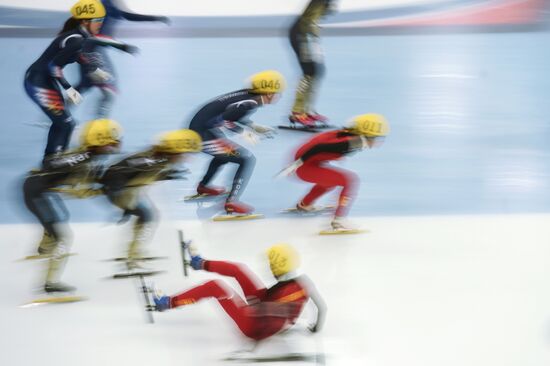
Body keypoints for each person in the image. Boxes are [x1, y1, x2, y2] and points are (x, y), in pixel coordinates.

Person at [23, 0, 137, 160]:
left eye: (102, 20)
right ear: (84, 21)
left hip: (46, 81)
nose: (100, 24)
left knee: (67, 124)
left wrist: (96, 70)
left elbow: (83, 54)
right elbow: (53, 67)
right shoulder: (75, 39)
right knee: (64, 123)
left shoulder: (81, 38)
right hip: (38, 81)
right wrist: (70, 90)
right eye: (97, 20)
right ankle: (52, 160)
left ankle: (56, 157)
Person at [22, 119, 122, 293]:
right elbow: (79, 192)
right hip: (38, 192)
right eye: (111, 142)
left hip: (36, 187)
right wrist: (102, 191)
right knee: (64, 238)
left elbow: (63, 171)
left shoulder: (84, 153)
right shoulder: (86, 162)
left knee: (59, 217)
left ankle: (44, 248)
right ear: (99, 142)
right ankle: (50, 283)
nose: (114, 146)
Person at [153, 243, 326, 341]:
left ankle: (166, 303)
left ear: (278, 266)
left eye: (271, 264)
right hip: (265, 306)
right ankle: (200, 263)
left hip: (254, 325)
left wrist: (275, 324)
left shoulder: (290, 291)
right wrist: (315, 329)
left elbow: (276, 313)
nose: (270, 268)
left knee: (216, 287)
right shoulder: (304, 282)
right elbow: (322, 308)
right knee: (239, 269)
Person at [187, 70, 285, 215]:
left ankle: (204, 186)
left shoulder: (249, 96)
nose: (279, 96)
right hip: (201, 133)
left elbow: (233, 114)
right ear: (269, 93)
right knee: (246, 159)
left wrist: (253, 126)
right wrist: (243, 133)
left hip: (204, 127)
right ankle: (231, 202)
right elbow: (227, 120)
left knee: (225, 155)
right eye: (278, 93)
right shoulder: (250, 102)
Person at [99, 129, 201, 267]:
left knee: (146, 216)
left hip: (125, 190)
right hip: (122, 191)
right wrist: (122, 201)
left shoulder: (158, 157)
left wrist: (166, 174)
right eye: (183, 154)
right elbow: (118, 173)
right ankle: (134, 257)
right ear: (174, 152)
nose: (185, 158)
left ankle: (134, 251)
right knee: (148, 217)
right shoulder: (152, 162)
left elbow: (132, 171)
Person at [278, 114, 389, 231]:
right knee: (350, 181)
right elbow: (318, 147)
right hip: (304, 166)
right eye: (377, 138)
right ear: (367, 135)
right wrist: (297, 164)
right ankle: (339, 220)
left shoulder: (349, 135)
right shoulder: (352, 141)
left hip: (308, 163)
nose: (378, 142)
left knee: (330, 182)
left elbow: (323, 145)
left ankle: (305, 205)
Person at [76, 0, 170, 118]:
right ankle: (98, 123)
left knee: (85, 85)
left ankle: (59, 112)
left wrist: (155, 18)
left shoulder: (110, 5)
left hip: (89, 50)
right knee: (109, 90)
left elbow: (127, 16)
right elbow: (91, 33)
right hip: (93, 51)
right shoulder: (101, 5)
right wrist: (121, 46)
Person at [288, 0, 337, 127]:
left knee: (318, 72)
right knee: (308, 71)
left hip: (308, 36)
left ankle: (307, 110)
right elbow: (310, 22)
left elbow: (317, 19)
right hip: (300, 34)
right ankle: (297, 112)